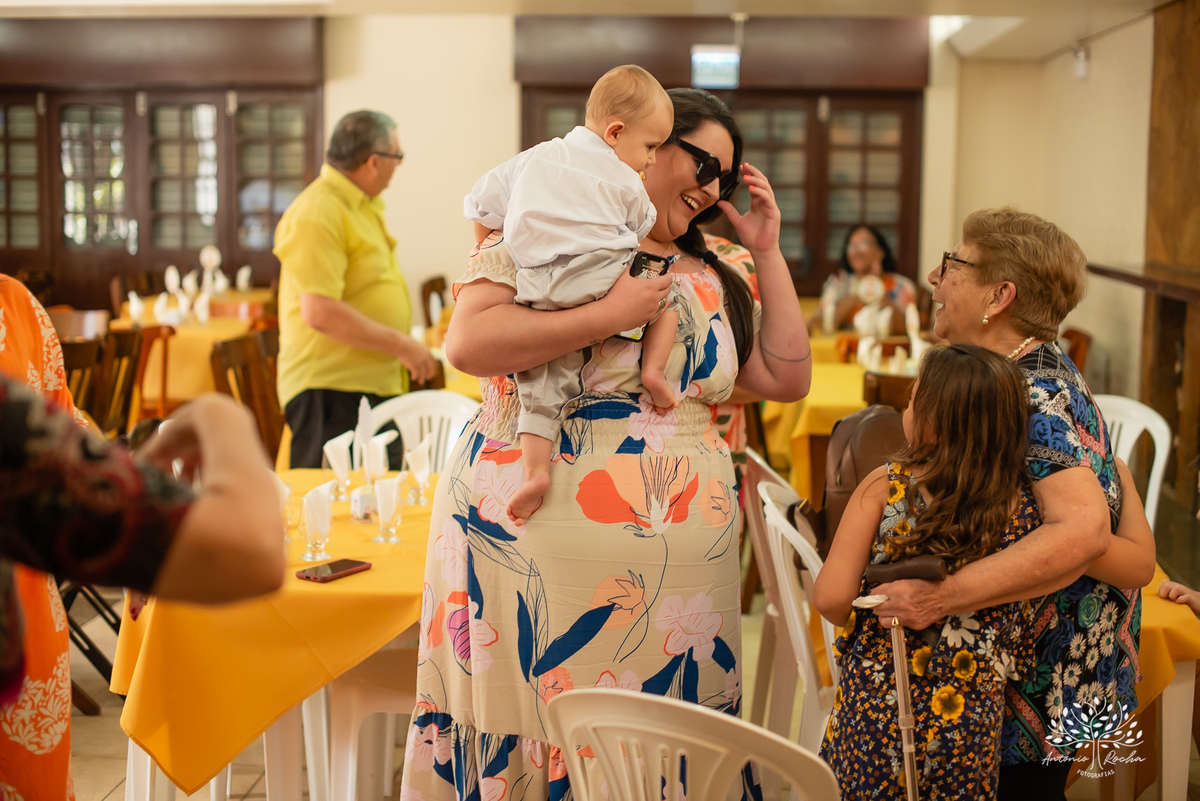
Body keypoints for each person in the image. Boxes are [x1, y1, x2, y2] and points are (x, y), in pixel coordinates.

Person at [400, 87, 810, 800]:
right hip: (525, 537)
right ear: (639, 147)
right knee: (529, 718)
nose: (712, 187)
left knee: (668, 737)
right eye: (700, 161)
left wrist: (766, 254)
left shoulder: (717, 268)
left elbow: (784, 376)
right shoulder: (549, 223)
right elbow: (468, 342)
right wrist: (608, 314)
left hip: (682, 577)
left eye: (726, 175)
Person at [866, 208, 1156, 800]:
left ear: (999, 295)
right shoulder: (1024, 370)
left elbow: (1081, 530)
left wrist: (941, 595)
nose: (933, 278)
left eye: (952, 265)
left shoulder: (1030, 391)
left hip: (1040, 674)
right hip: (1049, 665)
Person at [815, 344, 1041, 800]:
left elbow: (831, 598)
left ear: (933, 425)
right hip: (972, 712)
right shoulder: (1024, 506)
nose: (906, 408)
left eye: (912, 400)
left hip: (878, 703)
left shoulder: (885, 486)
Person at [464, 65, 677, 525]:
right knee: (666, 294)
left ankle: (536, 471)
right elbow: (642, 229)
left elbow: (479, 202)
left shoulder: (533, 158)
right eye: (651, 146)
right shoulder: (627, 181)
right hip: (601, 275)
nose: (652, 160)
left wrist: (489, 246)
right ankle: (656, 372)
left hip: (540, 287)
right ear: (616, 132)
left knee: (541, 382)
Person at [274, 109, 438, 469]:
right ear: (374, 162)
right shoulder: (318, 211)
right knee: (334, 510)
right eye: (398, 156)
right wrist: (401, 345)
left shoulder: (358, 205)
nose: (399, 166)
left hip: (367, 384)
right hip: (331, 389)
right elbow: (319, 311)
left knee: (376, 505)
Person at [812, 224, 917, 334]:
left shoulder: (901, 285)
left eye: (863, 244)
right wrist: (861, 289)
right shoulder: (838, 284)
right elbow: (825, 324)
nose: (856, 251)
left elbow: (907, 328)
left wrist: (878, 289)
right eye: (852, 246)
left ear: (880, 252)